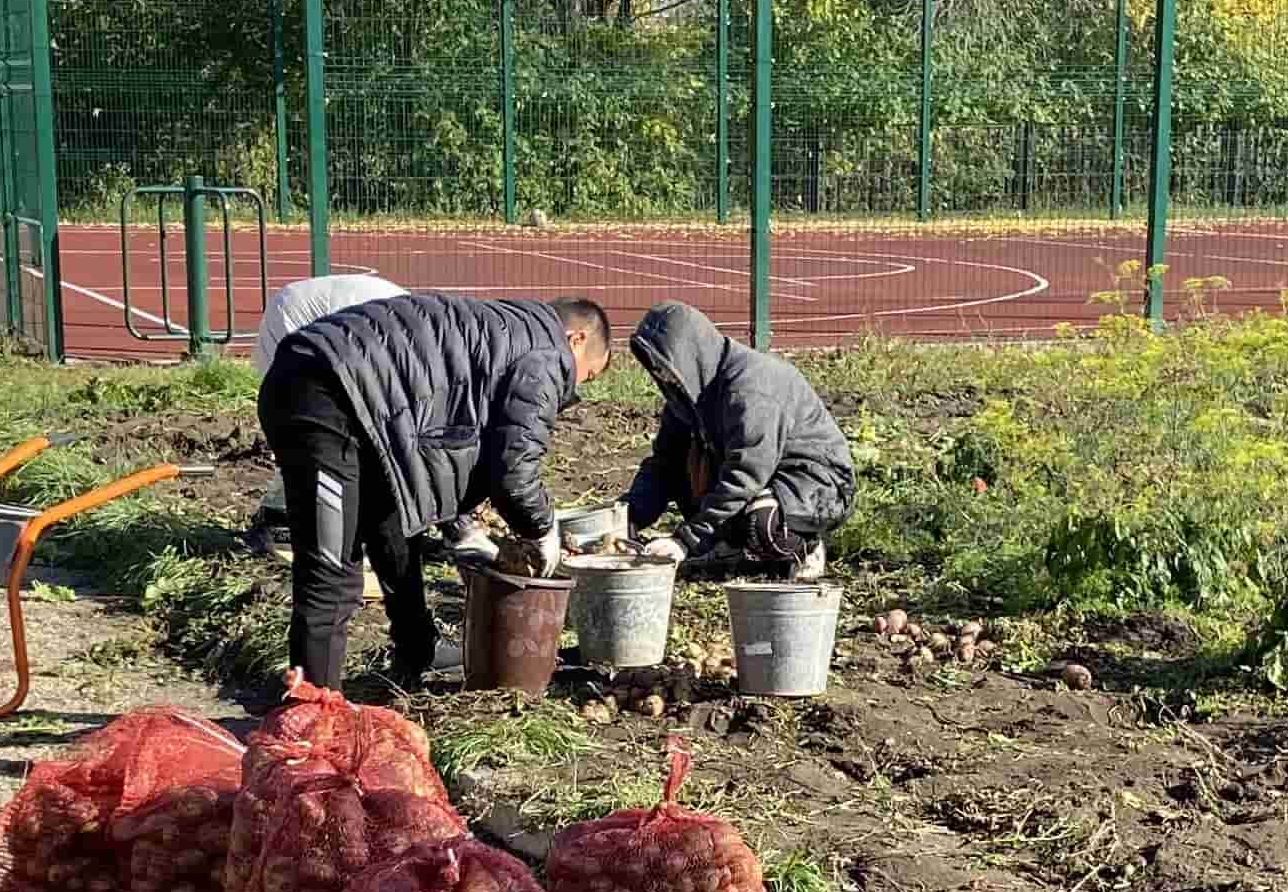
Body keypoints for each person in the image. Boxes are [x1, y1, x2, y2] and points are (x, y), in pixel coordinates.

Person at [254, 288, 614, 689]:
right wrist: (543, 529)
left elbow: (443, 448)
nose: (578, 384)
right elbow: (514, 469)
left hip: (345, 393)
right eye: (589, 373)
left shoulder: (505, 332)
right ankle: (313, 718)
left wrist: (460, 528)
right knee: (332, 573)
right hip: (324, 390)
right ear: (576, 339)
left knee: (392, 522)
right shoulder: (547, 354)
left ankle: (417, 649)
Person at [619, 301, 855, 579]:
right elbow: (664, 463)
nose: (660, 377)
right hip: (762, 478)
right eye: (655, 369)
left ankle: (804, 546)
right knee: (688, 464)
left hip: (817, 483)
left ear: (691, 355)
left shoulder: (750, 391)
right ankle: (730, 547)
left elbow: (745, 476)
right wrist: (627, 517)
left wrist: (686, 540)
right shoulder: (688, 392)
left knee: (761, 521)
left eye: (665, 367)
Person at [242, 275, 407, 556]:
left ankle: (299, 513)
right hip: (297, 317)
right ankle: (280, 519)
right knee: (305, 430)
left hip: (344, 321)